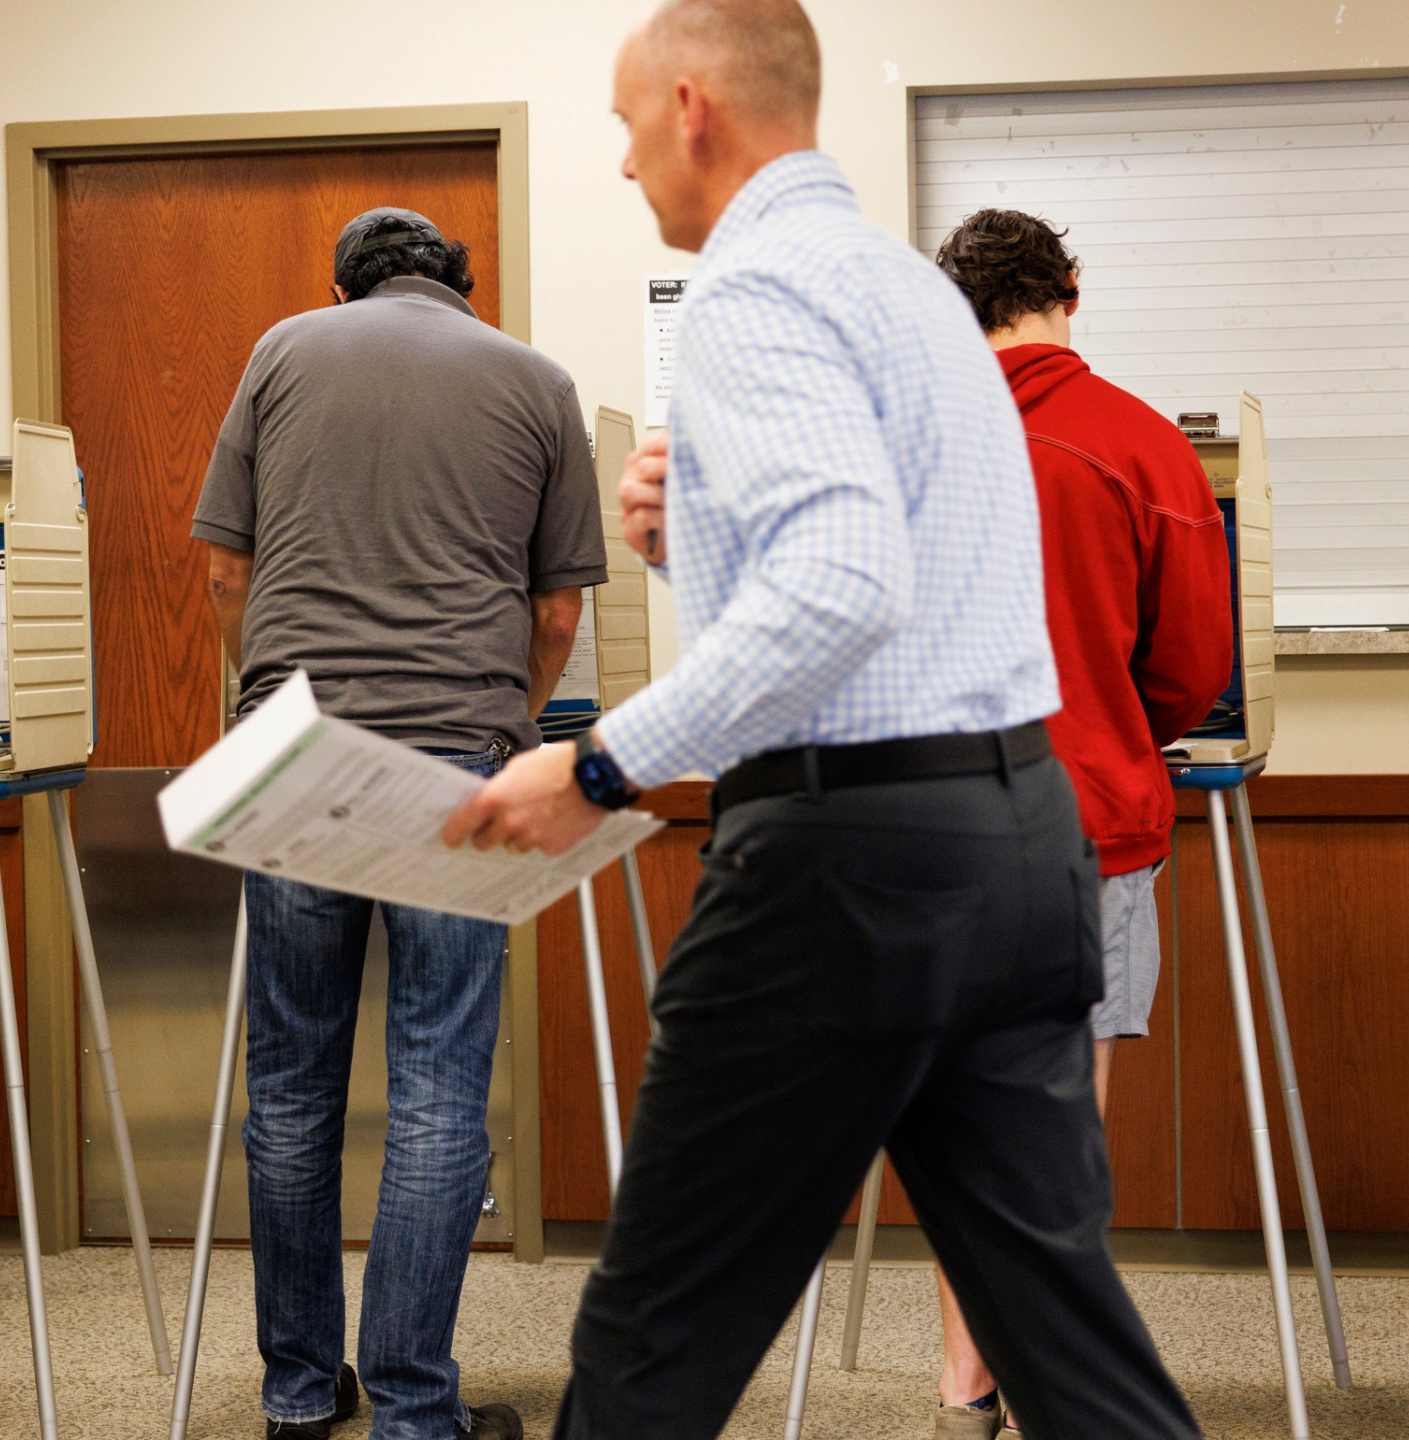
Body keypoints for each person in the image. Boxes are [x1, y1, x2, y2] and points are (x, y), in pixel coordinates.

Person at [444, 5, 1201, 1437]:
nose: (620, 166)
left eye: (620, 129)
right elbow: (908, 565)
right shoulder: (913, 293)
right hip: (1027, 845)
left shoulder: (753, 290)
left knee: (650, 1341)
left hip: (847, 863)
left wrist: (602, 766)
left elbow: (846, 587)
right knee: (1073, 1348)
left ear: (692, 108)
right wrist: (705, 540)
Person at [190, 206, 607, 1440]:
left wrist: (265, 709)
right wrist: (502, 726)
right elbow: (555, 614)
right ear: (462, 286)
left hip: (302, 755)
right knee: (437, 1087)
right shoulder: (537, 379)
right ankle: (418, 1406)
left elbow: (224, 571)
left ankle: (298, 1394)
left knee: (293, 1084)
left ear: (341, 286)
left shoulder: (280, 351)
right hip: (456, 767)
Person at [925, 208, 1232, 1436]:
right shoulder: (1142, 443)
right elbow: (1193, 668)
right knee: (1054, 1138)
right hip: (1083, 830)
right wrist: (1111, 724)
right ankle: (1044, 1391)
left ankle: (962, 1387)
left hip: (922, 836)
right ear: (1067, 291)